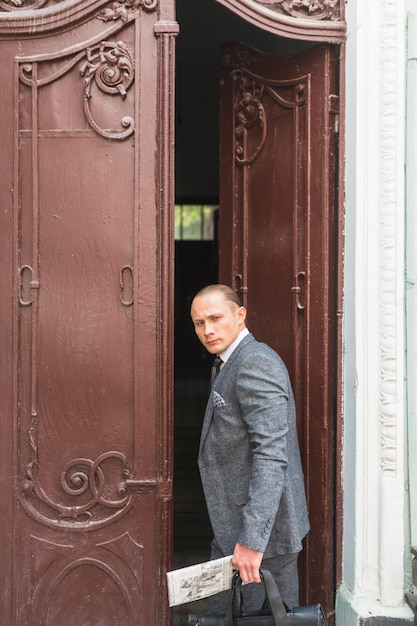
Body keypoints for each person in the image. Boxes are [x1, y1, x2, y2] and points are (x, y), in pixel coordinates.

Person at [190, 284, 310, 614]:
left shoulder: (254, 363)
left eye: (215, 318)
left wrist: (252, 541)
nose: (207, 329)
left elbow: (271, 455)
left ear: (240, 315)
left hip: (261, 539)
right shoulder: (231, 361)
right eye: (199, 323)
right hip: (237, 529)